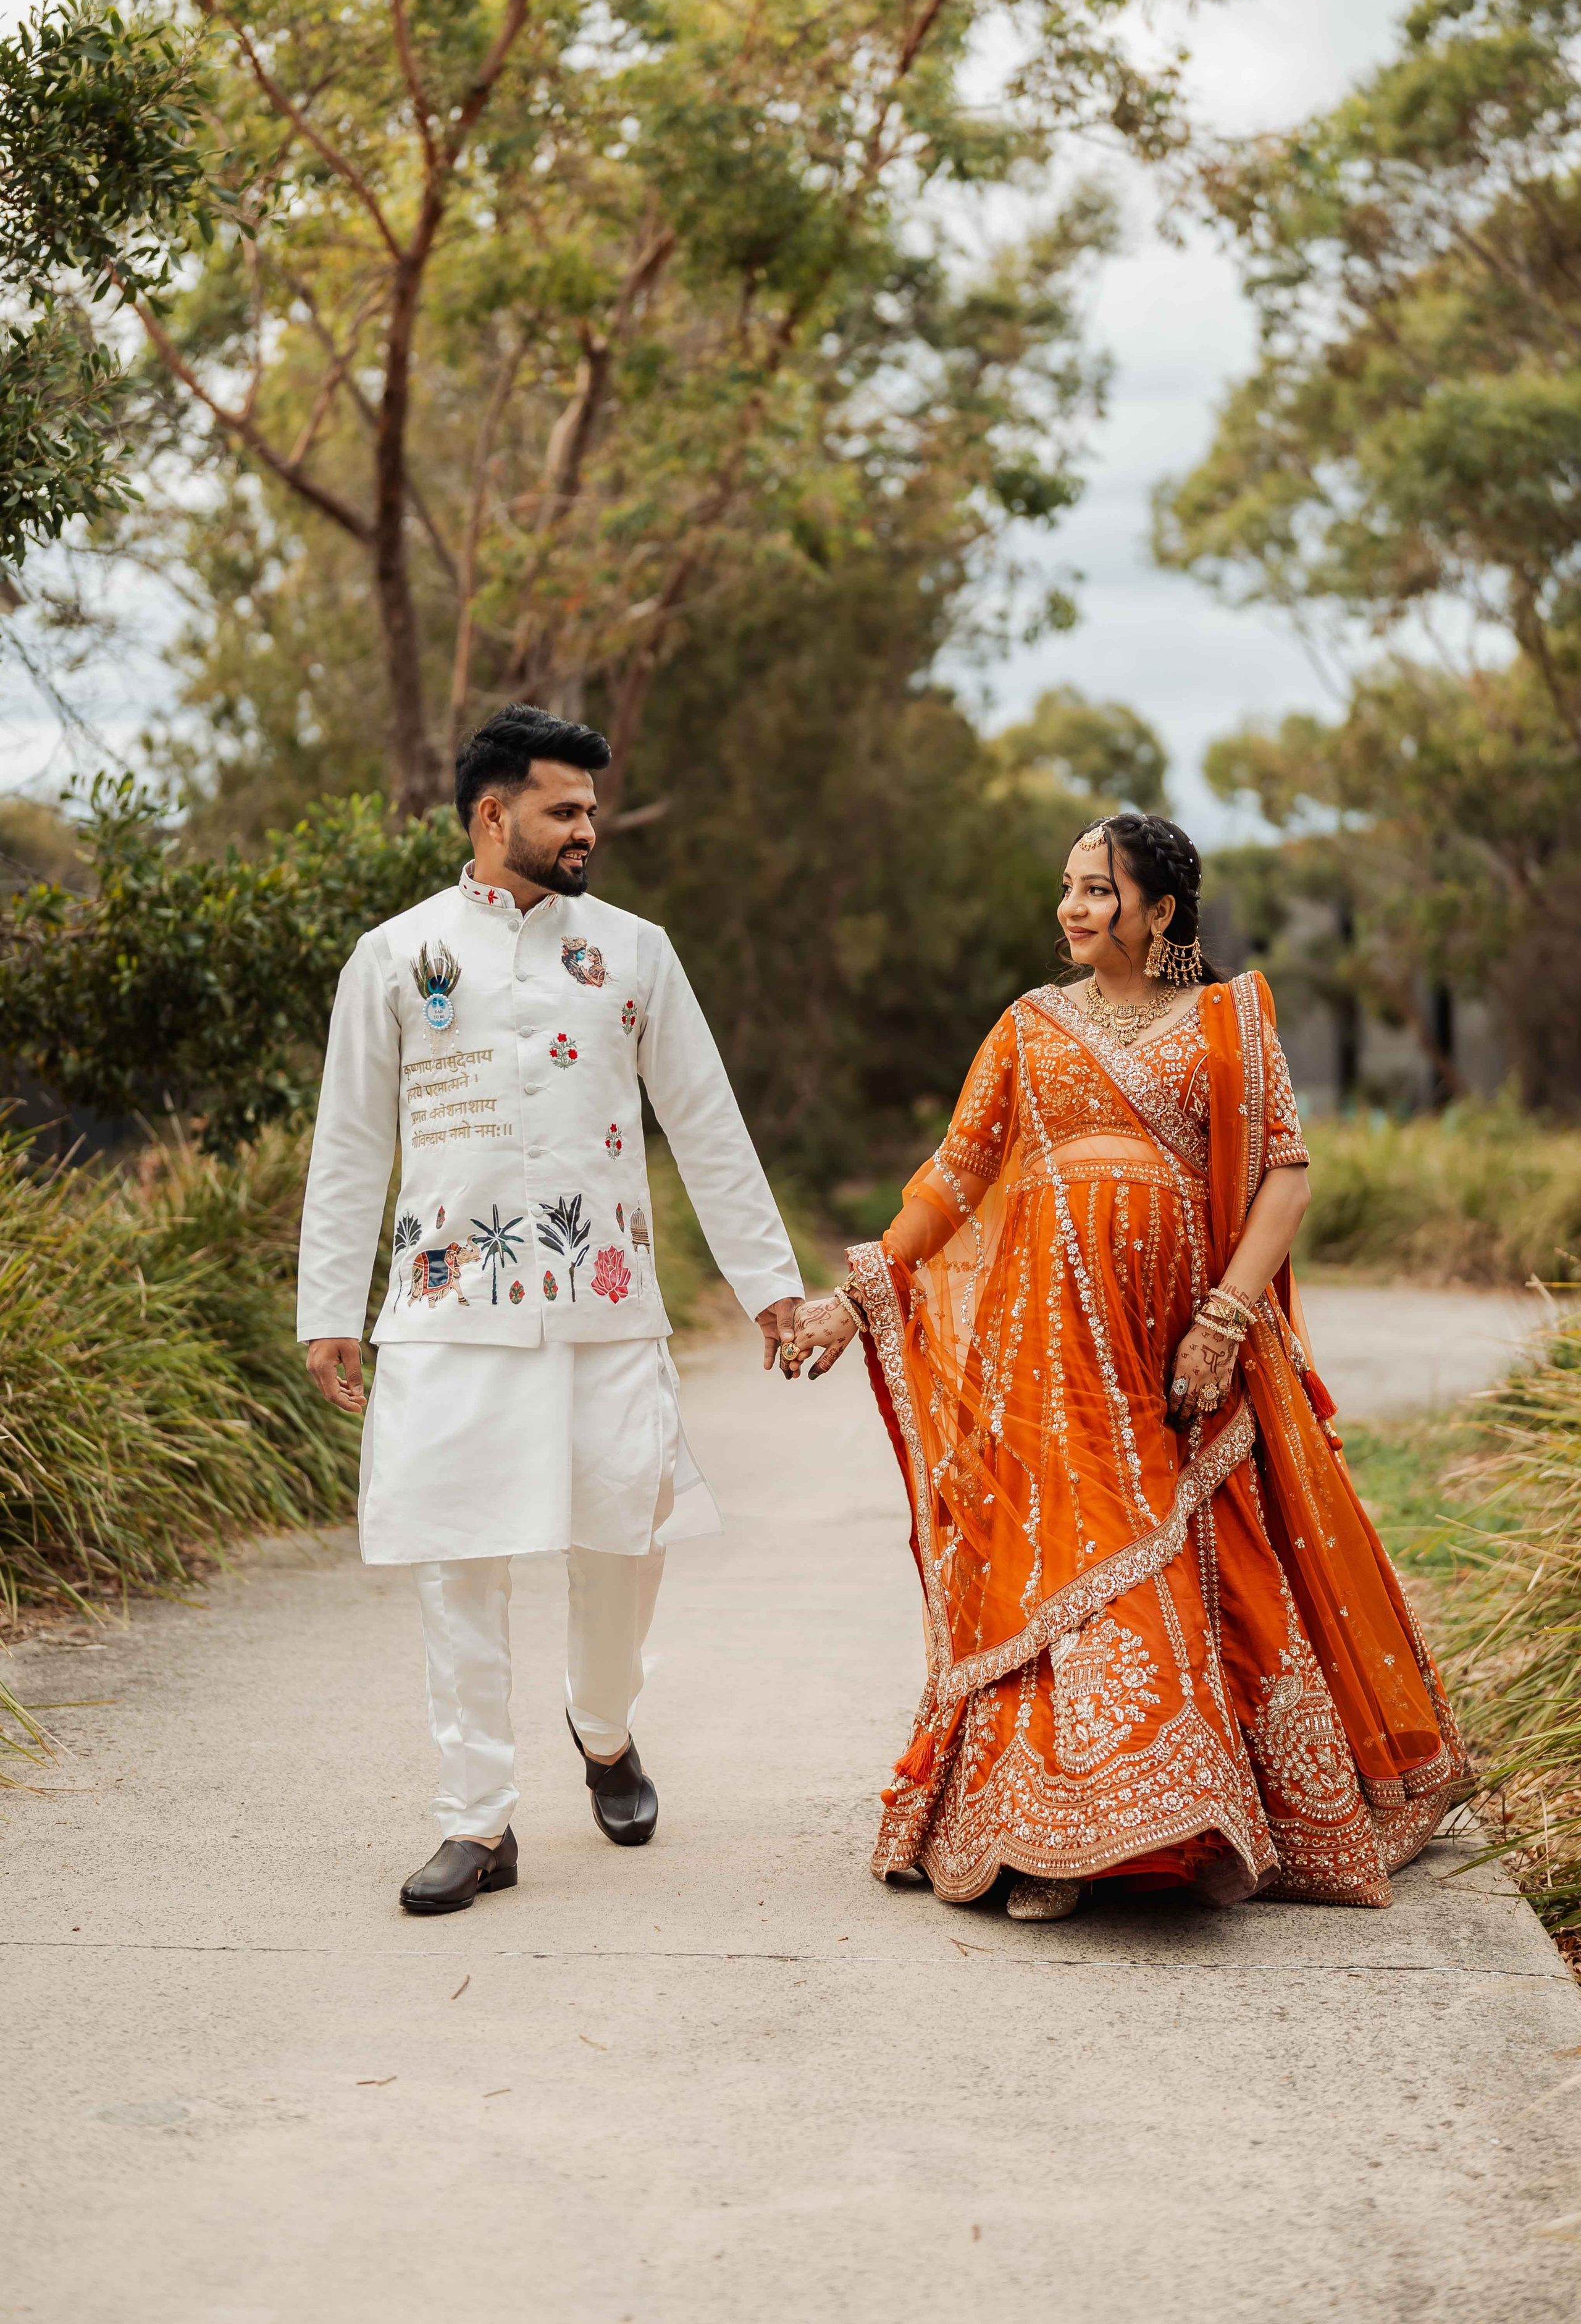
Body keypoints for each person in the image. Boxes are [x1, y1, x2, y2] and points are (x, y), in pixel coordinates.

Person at [787, 814, 1470, 1919]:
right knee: (1066, 1572)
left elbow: (1284, 1182)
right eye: (1067, 887)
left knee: (1188, 1565)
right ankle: (1052, 1834)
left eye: (1098, 890)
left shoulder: (1225, 1023)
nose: (1072, 908)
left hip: (1177, 1353)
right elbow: (951, 1182)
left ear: (1160, 911)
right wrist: (853, 1299)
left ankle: (1158, 1831)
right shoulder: (1026, 1027)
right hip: (1047, 1358)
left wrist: (1223, 1320)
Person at [298, 703, 803, 1914]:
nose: (587, 828)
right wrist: (329, 1302)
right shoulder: (397, 954)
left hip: (603, 1309)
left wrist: (771, 1290)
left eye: (591, 809)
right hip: (445, 1308)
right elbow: (352, 1137)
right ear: (492, 813)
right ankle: (476, 1821)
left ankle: (603, 1721)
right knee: (454, 1563)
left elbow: (709, 1123)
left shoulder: (633, 951)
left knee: (622, 1544)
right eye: (563, 808)